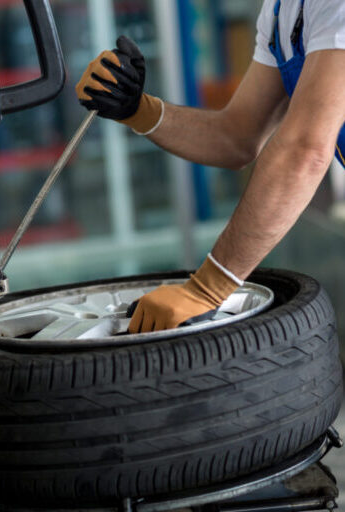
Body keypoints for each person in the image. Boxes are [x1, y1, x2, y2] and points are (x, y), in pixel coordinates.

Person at [76, 0, 345, 334]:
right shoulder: (282, 11)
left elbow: (305, 150)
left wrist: (208, 289)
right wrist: (137, 108)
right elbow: (236, 137)